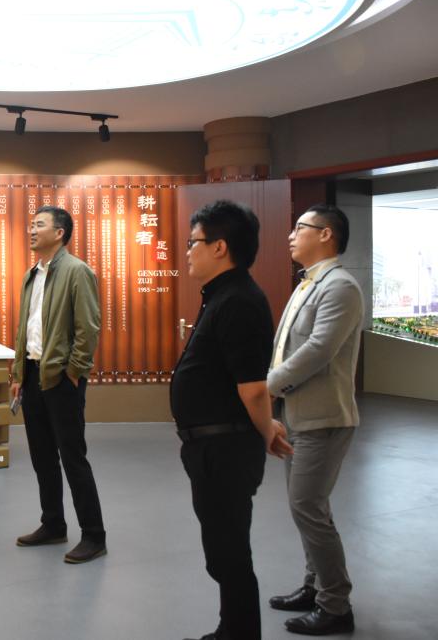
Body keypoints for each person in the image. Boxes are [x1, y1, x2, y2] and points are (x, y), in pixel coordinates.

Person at [171, 200, 293, 640]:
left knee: (230, 554)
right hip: (212, 448)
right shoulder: (223, 295)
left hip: (225, 450)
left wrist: (267, 429)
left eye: (194, 242)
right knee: (223, 550)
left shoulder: (239, 300)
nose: (188, 251)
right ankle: (231, 630)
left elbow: (254, 388)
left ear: (219, 247)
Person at [267, 204, 363, 636]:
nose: (291, 235)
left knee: (307, 506)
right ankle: (315, 585)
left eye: (299, 228)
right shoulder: (308, 283)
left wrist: (268, 385)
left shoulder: (340, 286)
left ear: (326, 234)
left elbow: (318, 350)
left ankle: (336, 605)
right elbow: (285, 346)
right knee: (308, 507)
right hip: (298, 414)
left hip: (324, 417)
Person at [10, 206, 106, 564]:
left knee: (72, 457)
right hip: (33, 375)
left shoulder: (77, 271)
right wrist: (18, 374)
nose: (32, 230)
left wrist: (74, 371)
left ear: (60, 232)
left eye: (39, 225)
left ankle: (94, 535)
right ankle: (53, 524)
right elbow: (26, 329)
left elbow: (88, 327)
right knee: (42, 456)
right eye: (31, 224)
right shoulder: (31, 275)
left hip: (62, 378)